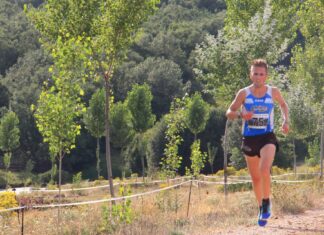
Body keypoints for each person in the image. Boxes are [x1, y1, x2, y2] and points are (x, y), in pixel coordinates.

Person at [226, 59, 289, 226]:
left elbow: (283, 104)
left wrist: (285, 120)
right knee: (255, 178)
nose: (258, 77)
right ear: (250, 74)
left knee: (264, 169)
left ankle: (267, 201)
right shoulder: (243, 93)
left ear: (266, 76)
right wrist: (241, 115)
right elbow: (229, 112)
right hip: (249, 138)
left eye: (261, 74)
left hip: (267, 136)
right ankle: (261, 208)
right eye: (255, 73)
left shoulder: (273, 91)